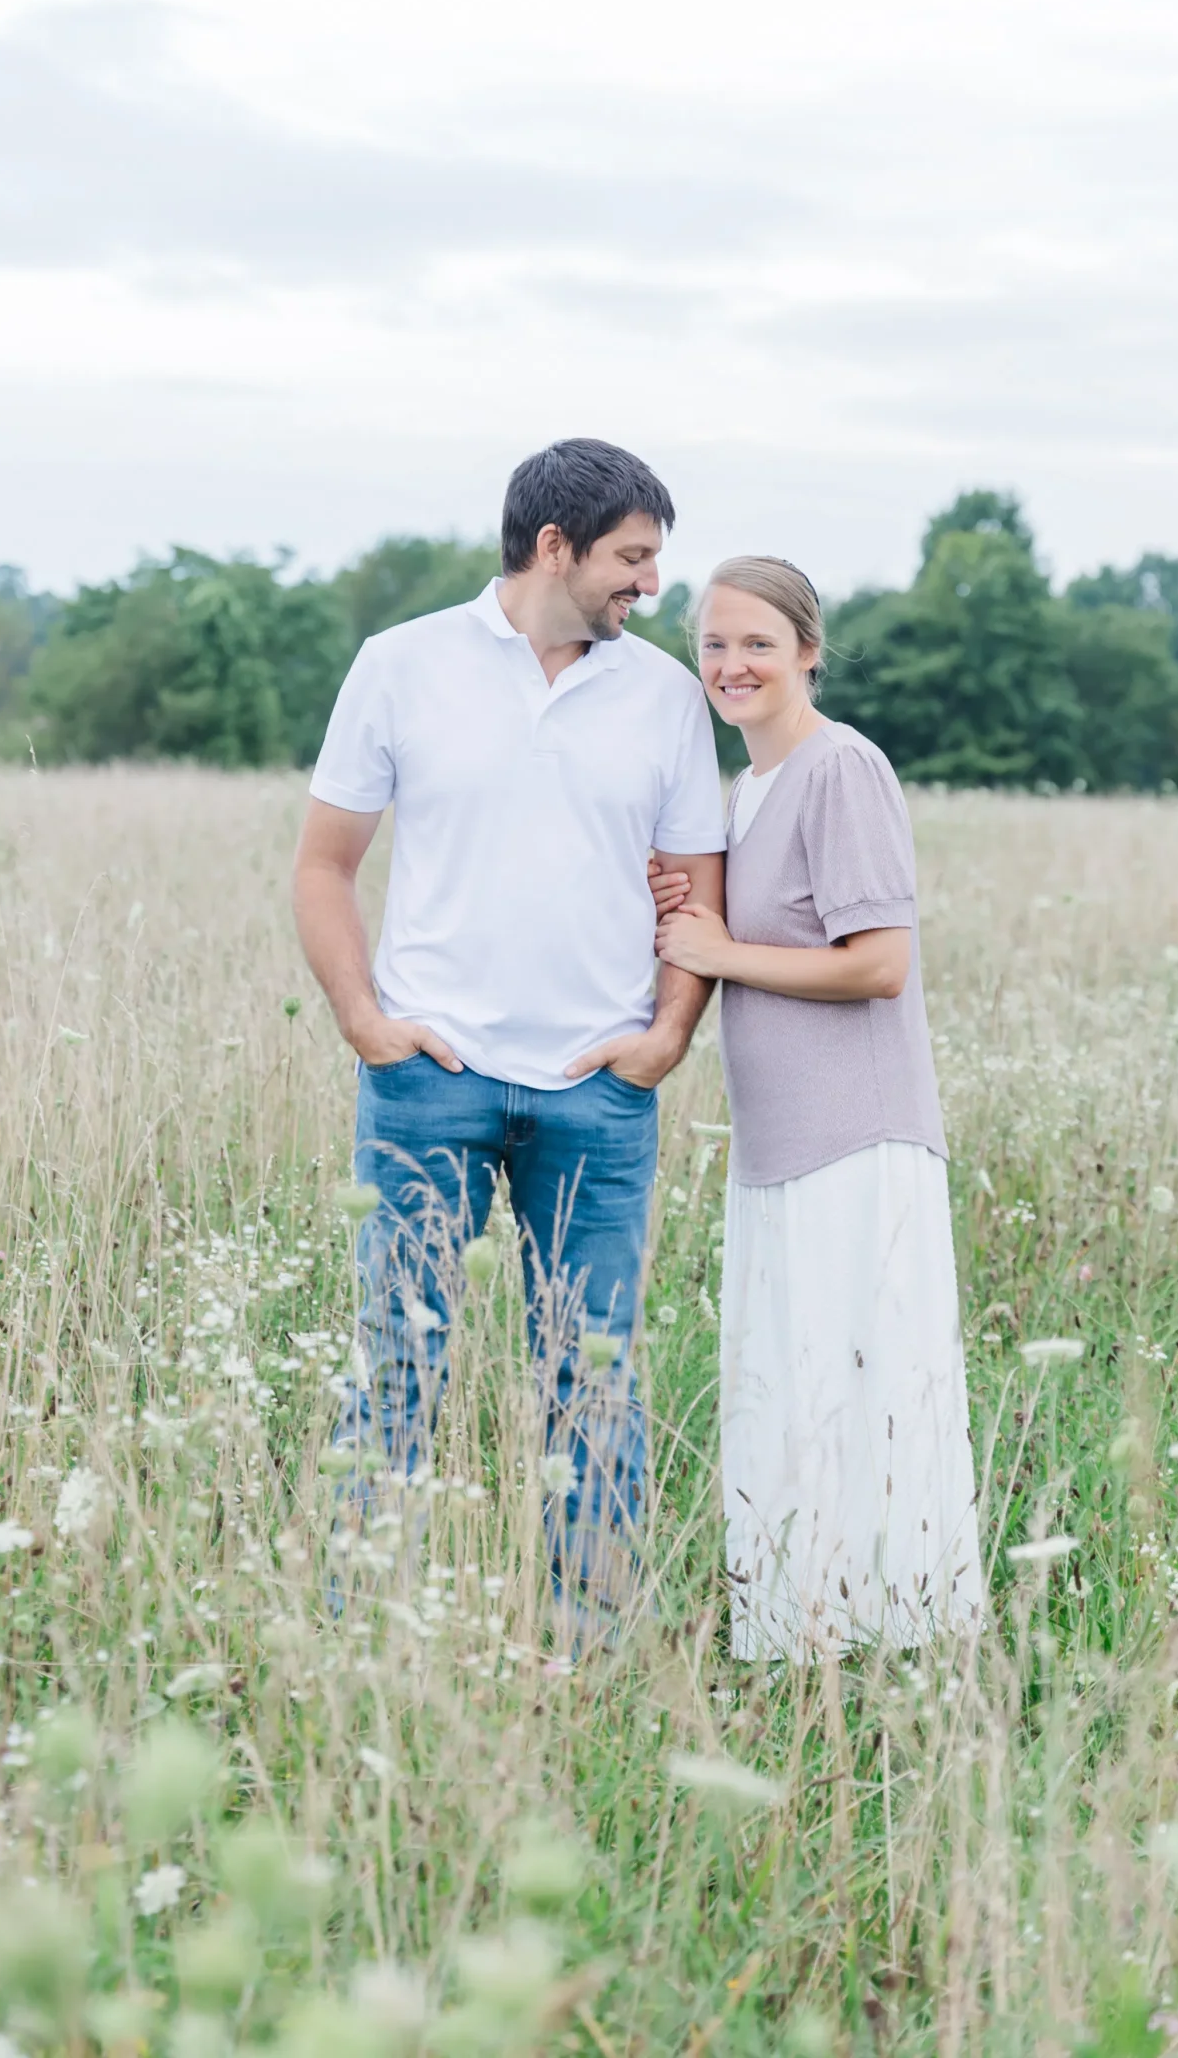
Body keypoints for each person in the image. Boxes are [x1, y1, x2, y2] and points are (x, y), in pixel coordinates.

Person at [294, 439, 727, 1618]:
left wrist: (666, 1039)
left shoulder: (664, 696)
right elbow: (324, 865)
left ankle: (596, 1643)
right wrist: (365, 1021)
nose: (650, 584)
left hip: (598, 1091)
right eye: (631, 558)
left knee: (596, 1376)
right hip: (429, 1079)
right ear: (554, 545)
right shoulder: (401, 664)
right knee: (398, 1367)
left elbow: (700, 888)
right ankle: (355, 1633)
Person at [652, 556, 982, 1657]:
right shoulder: (747, 791)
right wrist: (689, 919)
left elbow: (878, 963)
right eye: (713, 644)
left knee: (865, 1399)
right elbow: (740, 933)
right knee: (792, 1398)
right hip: (778, 1146)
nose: (731, 665)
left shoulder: (843, 767)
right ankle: (807, 1642)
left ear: (806, 650)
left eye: (757, 643)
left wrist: (720, 951)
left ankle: (907, 1645)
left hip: (856, 1141)